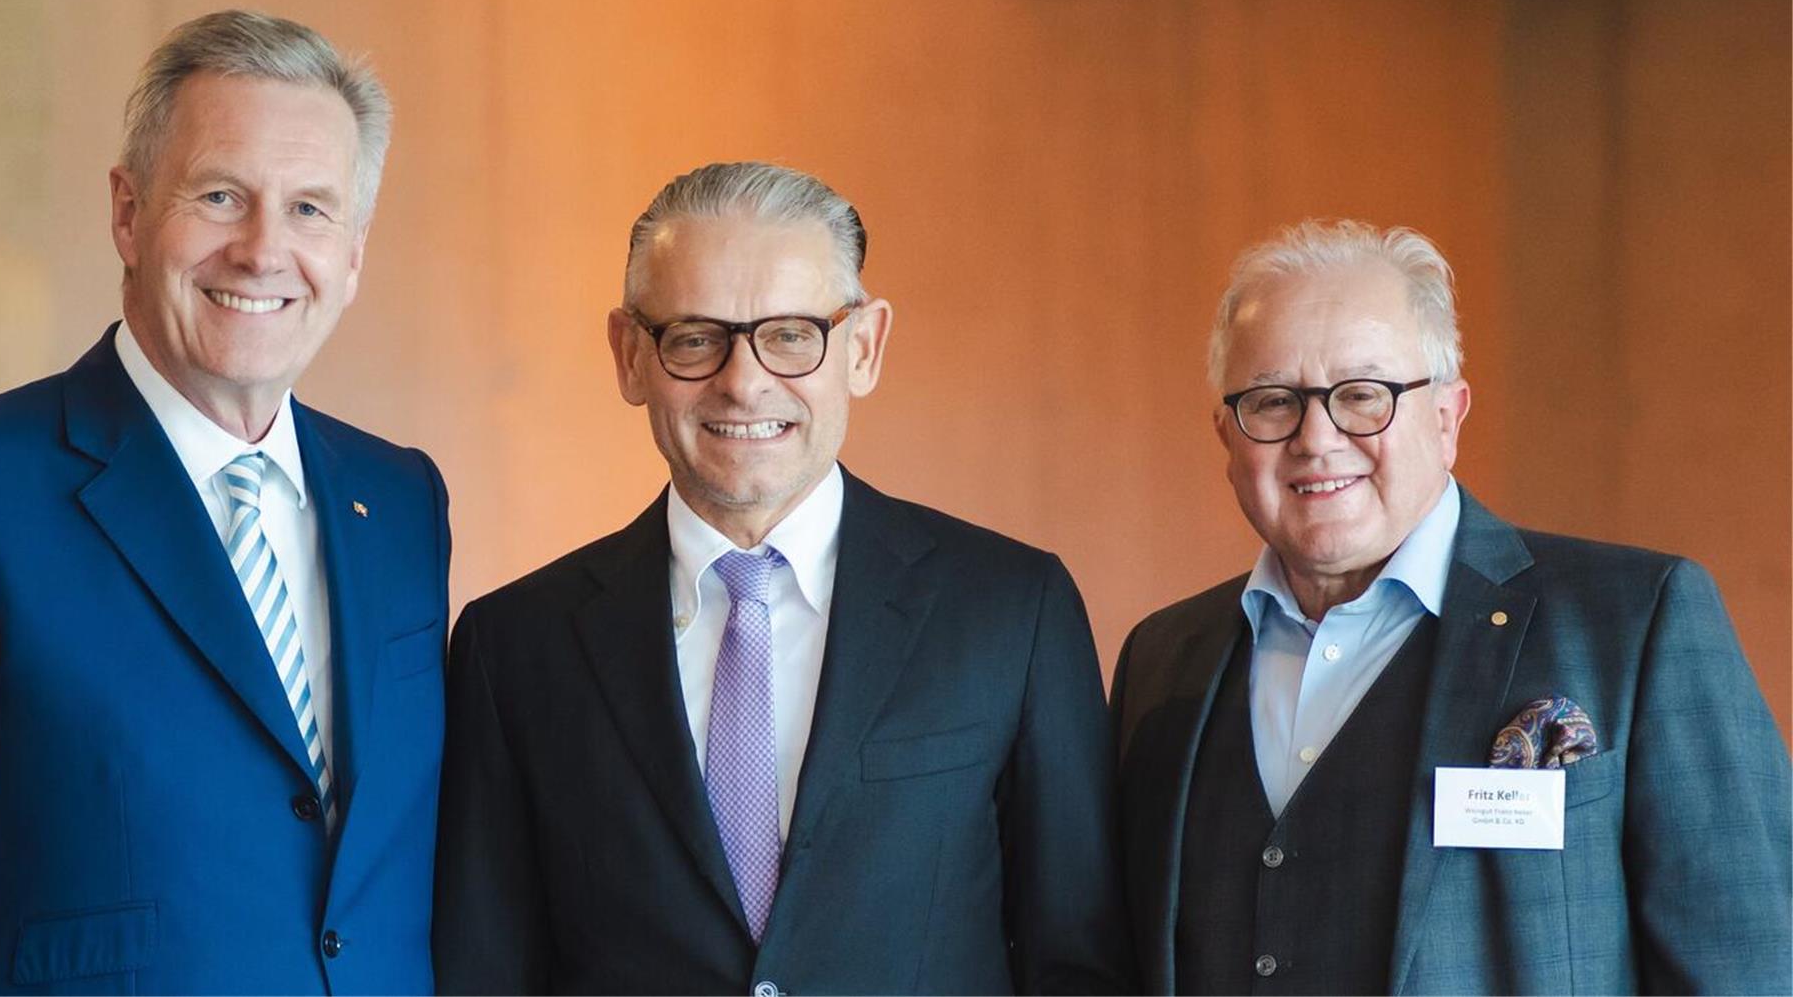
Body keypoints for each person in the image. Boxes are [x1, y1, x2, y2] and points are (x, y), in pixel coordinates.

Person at [433, 161, 1131, 994]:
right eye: (694, 336)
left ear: (863, 348)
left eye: (792, 333)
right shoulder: (513, 646)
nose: (744, 379)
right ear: (629, 356)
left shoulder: (1014, 611)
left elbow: (1078, 965)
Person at [0, 11, 451, 994]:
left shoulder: (400, 503)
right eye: (222, 196)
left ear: (352, 254)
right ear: (129, 213)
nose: (264, 251)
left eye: (311, 210)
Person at [1112, 219, 1791, 995]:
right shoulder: (1163, 660)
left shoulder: (1636, 624)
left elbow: (1749, 965)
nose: (1316, 438)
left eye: (1362, 396)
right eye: (1273, 403)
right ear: (1228, 439)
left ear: (1446, 416)